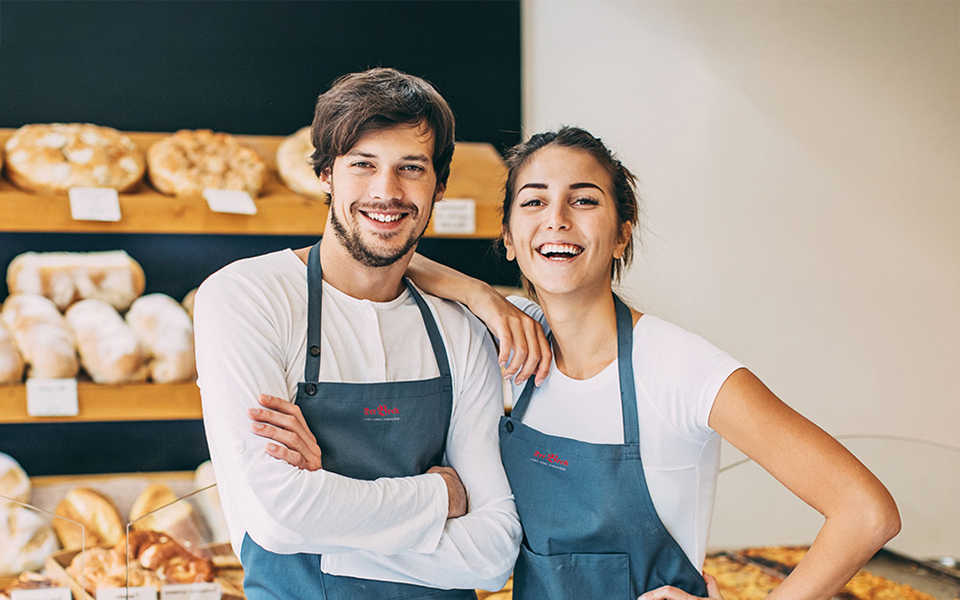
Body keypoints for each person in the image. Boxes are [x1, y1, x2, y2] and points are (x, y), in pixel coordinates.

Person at [251, 126, 901, 598]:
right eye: (532, 202)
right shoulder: (504, 340)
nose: (556, 220)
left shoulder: (680, 368)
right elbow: (367, 254)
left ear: (621, 232)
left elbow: (865, 510)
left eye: (584, 200)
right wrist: (479, 293)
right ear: (507, 237)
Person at [193, 68, 523, 600]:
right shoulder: (245, 298)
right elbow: (280, 517)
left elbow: (490, 557)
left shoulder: (460, 328)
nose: (385, 192)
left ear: (439, 185)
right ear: (325, 173)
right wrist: (439, 495)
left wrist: (322, 519)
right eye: (362, 165)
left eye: (410, 168)